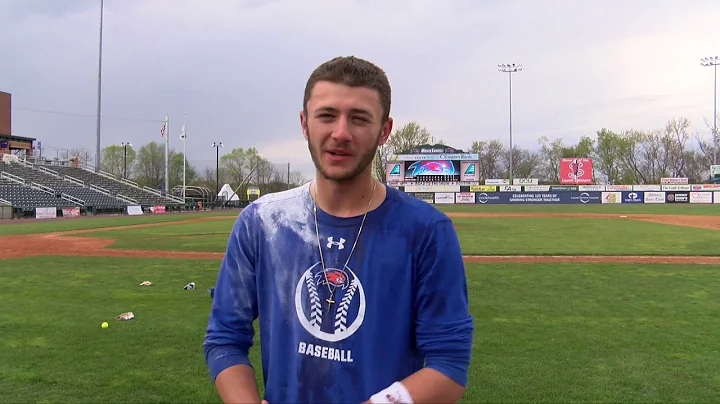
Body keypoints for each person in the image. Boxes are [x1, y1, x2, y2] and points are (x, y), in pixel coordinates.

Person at [203, 56, 473, 404]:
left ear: (384, 130)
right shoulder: (261, 221)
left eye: (359, 118)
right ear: (304, 123)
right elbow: (225, 338)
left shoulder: (427, 231)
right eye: (327, 115)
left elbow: (449, 363)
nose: (341, 133)